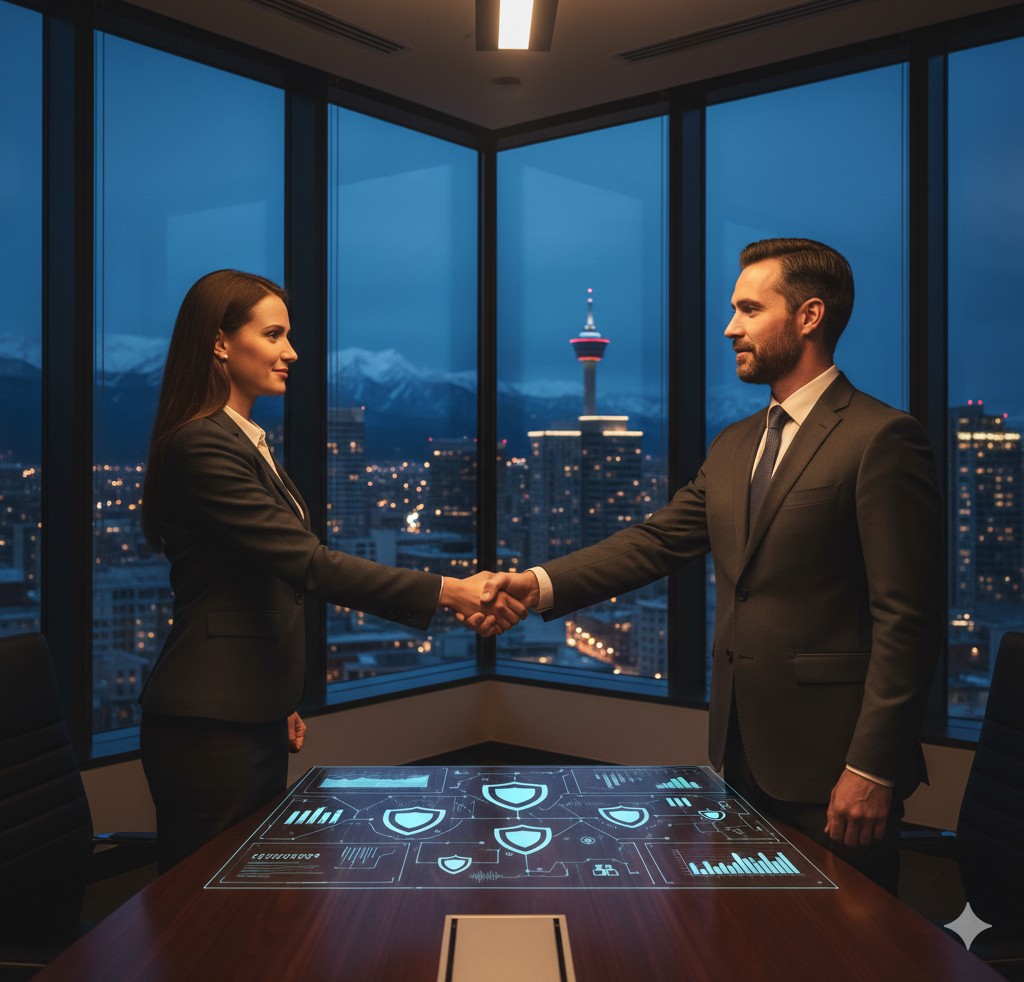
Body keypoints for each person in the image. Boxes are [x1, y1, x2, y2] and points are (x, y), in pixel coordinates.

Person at [478, 238, 943, 895]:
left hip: (834, 767)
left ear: (809, 317)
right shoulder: (734, 446)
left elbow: (909, 620)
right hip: (740, 755)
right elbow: (654, 542)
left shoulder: (881, 437)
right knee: (747, 939)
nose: (730, 327)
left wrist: (872, 767)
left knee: (844, 950)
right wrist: (534, 585)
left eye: (749, 309)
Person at [138, 269, 524, 872]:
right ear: (220, 343)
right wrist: (450, 590)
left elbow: (260, 587)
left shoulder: (243, 440)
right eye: (273, 335)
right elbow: (309, 565)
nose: (291, 352)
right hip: (206, 727)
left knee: (253, 896)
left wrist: (274, 694)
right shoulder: (202, 446)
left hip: (244, 710)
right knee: (209, 911)